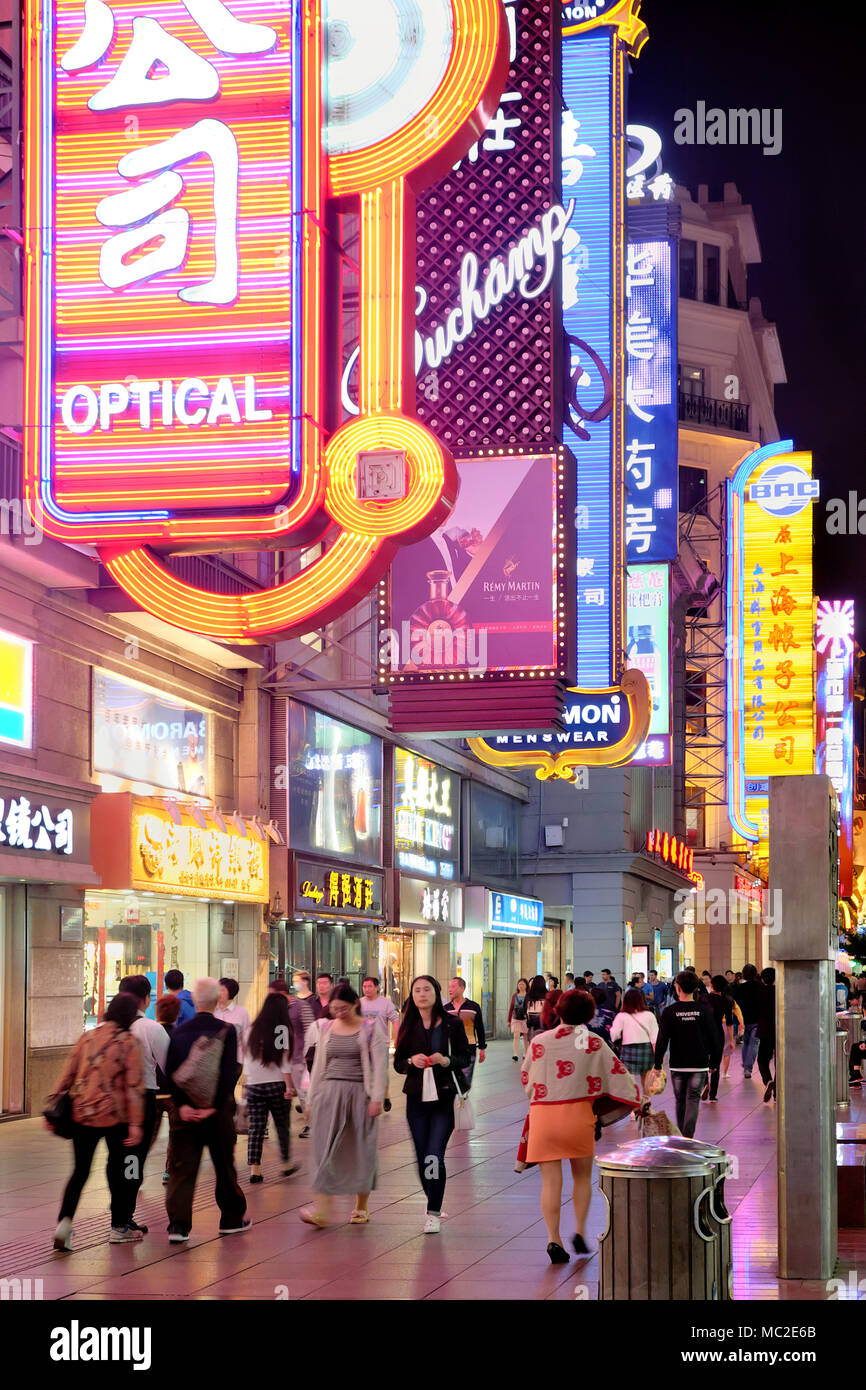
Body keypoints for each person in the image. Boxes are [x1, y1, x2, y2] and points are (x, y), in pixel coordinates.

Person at [523, 989, 640, 1264]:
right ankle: (578, 1229)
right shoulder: (593, 1042)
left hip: (544, 1116)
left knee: (551, 1182)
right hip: (578, 1116)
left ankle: (554, 1239)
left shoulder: (540, 1042)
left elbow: (527, 1079)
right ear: (590, 1013)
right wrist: (638, 1099)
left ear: (559, 1010)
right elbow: (619, 1077)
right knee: (581, 1178)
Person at [49, 992, 145, 1251]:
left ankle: (64, 1223)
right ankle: (119, 1226)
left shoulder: (87, 1037)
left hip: (82, 1113)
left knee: (80, 1171)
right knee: (120, 1170)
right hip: (116, 1117)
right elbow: (134, 1087)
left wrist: (54, 1102)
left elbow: (68, 1073)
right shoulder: (129, 1042)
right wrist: (136, 1124)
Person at [164, 977, 249, 1242]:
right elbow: (229, 1072)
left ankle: (178, 1226)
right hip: (218, 1112)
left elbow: (170, 1073)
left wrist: (183, 1106)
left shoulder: (178, 1032)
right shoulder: (227, 1030)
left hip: (185, 1114)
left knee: (182, 1169)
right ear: (215, 1001)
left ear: (195, 1001)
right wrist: (213, 1106)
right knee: (224, 1164)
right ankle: (231, 1219)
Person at [300, 983, 387, 1228]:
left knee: (360, 1149)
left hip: (360, 1094)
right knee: (323, 1149)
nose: (339, 1012)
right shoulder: (326, 1028)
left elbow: (380, 1067)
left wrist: (377, 1098)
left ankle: (361, 1206)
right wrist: (310, 1100)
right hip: (329, 1093)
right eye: (335, 1008)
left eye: (344, 1008)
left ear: (355, 1005)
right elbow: (318, 1066)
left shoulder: (370, 1029)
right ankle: (322, 1210)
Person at [393, 975, 471, 1234]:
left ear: (437, 994)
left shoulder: (452, 1024)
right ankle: (433, 1196)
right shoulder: (408, 1025)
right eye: (417, 990)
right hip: (416, 1099)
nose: (422, 994)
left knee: (433, 1155)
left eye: (427, 989)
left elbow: (463, 1057)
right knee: (421, 1157)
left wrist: (445, 1060)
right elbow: (398, 1063)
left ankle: (433, 1213)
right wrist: (409, 1062)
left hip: (444, 1098)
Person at [118, 974, 170, 1231]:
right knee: (134, 1160)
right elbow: (170, 1065)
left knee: (118, 1159)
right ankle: (123, 1219)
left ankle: (120, 1215)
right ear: (145, 998)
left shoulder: (109, 1028)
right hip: (142, 1097)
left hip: (113, 1103)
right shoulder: (151, 1028)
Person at [651, 971, 721, 1138]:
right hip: (699, 1063)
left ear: (678, 987)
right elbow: (714, 1038)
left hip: (678, 1063)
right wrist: (714, 1064)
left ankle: (683, 1136)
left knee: (680, 1100)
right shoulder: (702, 1010)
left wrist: (657, 1064)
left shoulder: (670, 1011)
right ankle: (687, 1136)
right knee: (693, 1099)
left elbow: (662, 1040)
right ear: (696, 988)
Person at [244, 992, 299, 1182]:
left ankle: (255, 1170)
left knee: (256, 1128)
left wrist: (247, 1082)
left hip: (254, 1085)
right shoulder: (281, 1029)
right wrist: (289, 1087)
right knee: (281, 1125)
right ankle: (286, 1164)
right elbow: (284, 1062)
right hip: (276, 1084)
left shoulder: (251, 1029)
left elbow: (247, 1059)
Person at [293, 970, 327, 1137]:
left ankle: (315, 1120)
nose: (295, 983)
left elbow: (310, 1027)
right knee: (305, 1088)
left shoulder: (313, 1002)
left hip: (312, 1050)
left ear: (306, 981)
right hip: (298, 1051)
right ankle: (311, 1119)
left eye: (297, 980)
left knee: (311, 1087)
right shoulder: (293, 1002)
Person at [359, 976, 400, 1111]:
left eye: (370, 986)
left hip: (382, 1043)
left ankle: (386, 1096)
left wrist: (397, 1039)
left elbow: (395, 1021)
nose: (367, 989)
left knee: (382, 1072)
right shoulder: (359, 1003)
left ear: (377, 987)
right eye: (364, 986)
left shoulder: (385, 1003)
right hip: (364, 1044)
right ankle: (370, 1096)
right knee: (366, 1071)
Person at [609, 987, 659, 1097]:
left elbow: (614, 1034)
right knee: (646, 1078)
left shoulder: (621, 1016)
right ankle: (646, 1103)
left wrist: (616, 1041)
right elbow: (655, 1036)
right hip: (646, 1049)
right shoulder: (649, 1015)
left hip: (628, 1049)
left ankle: (633, 1106)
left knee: (630, 1080)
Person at [153, 993, 180, 1183]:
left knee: (147, 1138)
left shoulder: (150, 1032)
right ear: (177, 1014)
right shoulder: (179, 1035)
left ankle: (134, 1174)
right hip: (173, 1095)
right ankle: (168, 1172)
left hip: (152, 1092)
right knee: (174, 1136)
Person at [444, 977, 486, 1085]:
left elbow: (480, 1028)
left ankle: (462, 1099)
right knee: (451, 1082)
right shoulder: (445, 1009)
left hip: (469, 1049)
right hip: (450, 1051)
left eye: (453, 987)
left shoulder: (474, 1007)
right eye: (449, 987)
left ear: (462, 988)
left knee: (465, 1082)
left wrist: (482, 1048)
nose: (450, 989)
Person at [703, 976, 735, 1101]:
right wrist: (731, 1040)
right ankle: (713, 1095)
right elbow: (729, 1022)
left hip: (705, 1033)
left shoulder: (704, 998)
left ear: (712, 985)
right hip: (718, 1034)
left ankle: (705, 1084)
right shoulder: (727, 1001)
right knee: (716, 1064)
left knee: (704, 1061)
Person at [215, 978, 252, 1070]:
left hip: (235, 1060)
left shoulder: (241, 1012)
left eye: (222, 990)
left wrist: (247, 1063)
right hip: (213, 1061)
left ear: (230, 993)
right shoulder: (212, 1011)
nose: (218, 993)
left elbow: (246, 1039)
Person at [734, 964, 762, 1080]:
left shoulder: (740, 988)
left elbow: (737, 1005)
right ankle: (747, 1068)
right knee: (754, 1044)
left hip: (744, 1020)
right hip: (757, 1020)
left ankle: (746, 1065)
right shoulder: (760, 986)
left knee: (746, 1043)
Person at [756, 967, 776, 1102]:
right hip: (780, 1030)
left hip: (764, 1030)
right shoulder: (779, 992)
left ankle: (768, 1080)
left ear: (762, 979)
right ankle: (777, 1093)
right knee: (780, 1063)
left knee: (762, 1060)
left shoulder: (759, 992)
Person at [508, 978, 530, 1061]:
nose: (521, 986)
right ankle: (515, 1054)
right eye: (519, 984)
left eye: (523, 984)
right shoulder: (514, 996)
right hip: (515, 1018)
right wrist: (508, 1020)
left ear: (526, 986)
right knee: (516, 1035)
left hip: (525, 1018)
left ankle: (526, 1053)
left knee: (525, 1036)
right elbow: (511, 1008)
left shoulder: (529, 995)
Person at [525, 976, 548, 1041]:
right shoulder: (547, 995)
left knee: (533, 1045)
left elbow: (525, 1010)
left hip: (532, 1026)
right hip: (544, 1026)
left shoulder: (528, 996)